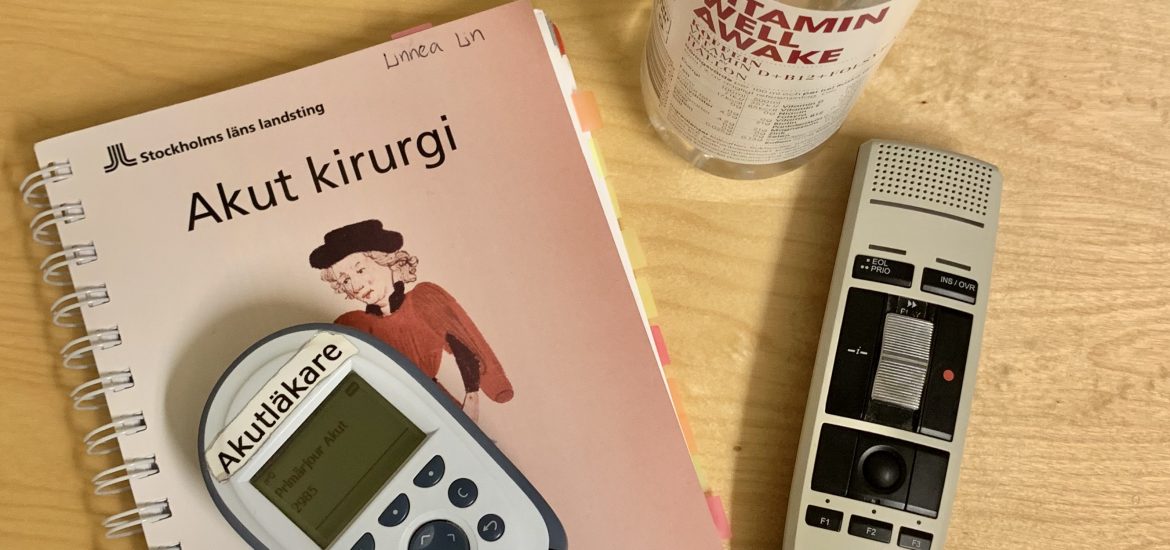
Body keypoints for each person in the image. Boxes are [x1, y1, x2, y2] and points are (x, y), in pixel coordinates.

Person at [309, 220, 513, 421]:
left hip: (440, 404)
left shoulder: (424, 299)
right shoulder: (352, 324)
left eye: (360, 270)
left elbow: (466, 344)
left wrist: (473, 397)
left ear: (387, 261)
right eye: (345, 280)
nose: (355, 286)